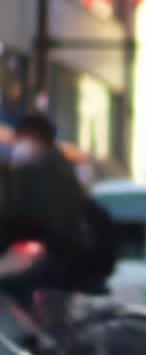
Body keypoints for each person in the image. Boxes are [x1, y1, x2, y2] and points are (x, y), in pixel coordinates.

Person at [0, 114, 116, 340]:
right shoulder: (53, 165)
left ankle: (40, 344)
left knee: (13, 285)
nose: (19, 145)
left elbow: (24, 218)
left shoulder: (45, 170)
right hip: (73, 252)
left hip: (73, 256)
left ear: (36, 138)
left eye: (22, 138)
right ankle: (45, 343)